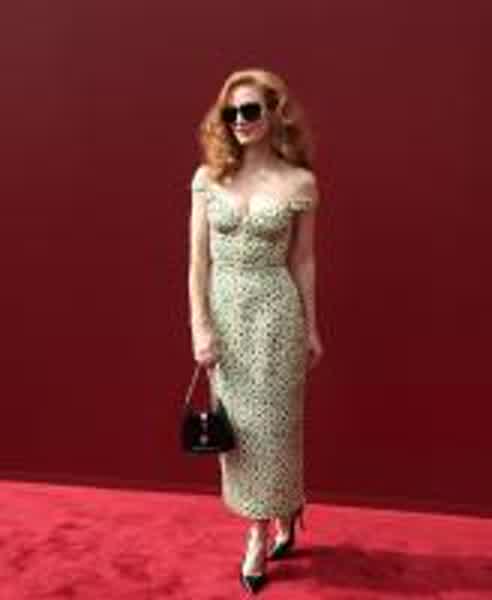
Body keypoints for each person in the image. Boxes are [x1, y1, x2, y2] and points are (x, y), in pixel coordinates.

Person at [188, 68, 324, 594]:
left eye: (250, 111)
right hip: (226, 314)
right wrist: (200, 325)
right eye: (231, 113)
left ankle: (260, 533)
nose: (240, 121)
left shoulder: (299, 183)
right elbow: (197, 262)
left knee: (277, 428)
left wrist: (312, 326)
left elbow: (304, 260)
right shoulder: (208, 178)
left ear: (274, 115)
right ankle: (277, 514)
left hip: (276, 315)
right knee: (241, 433)